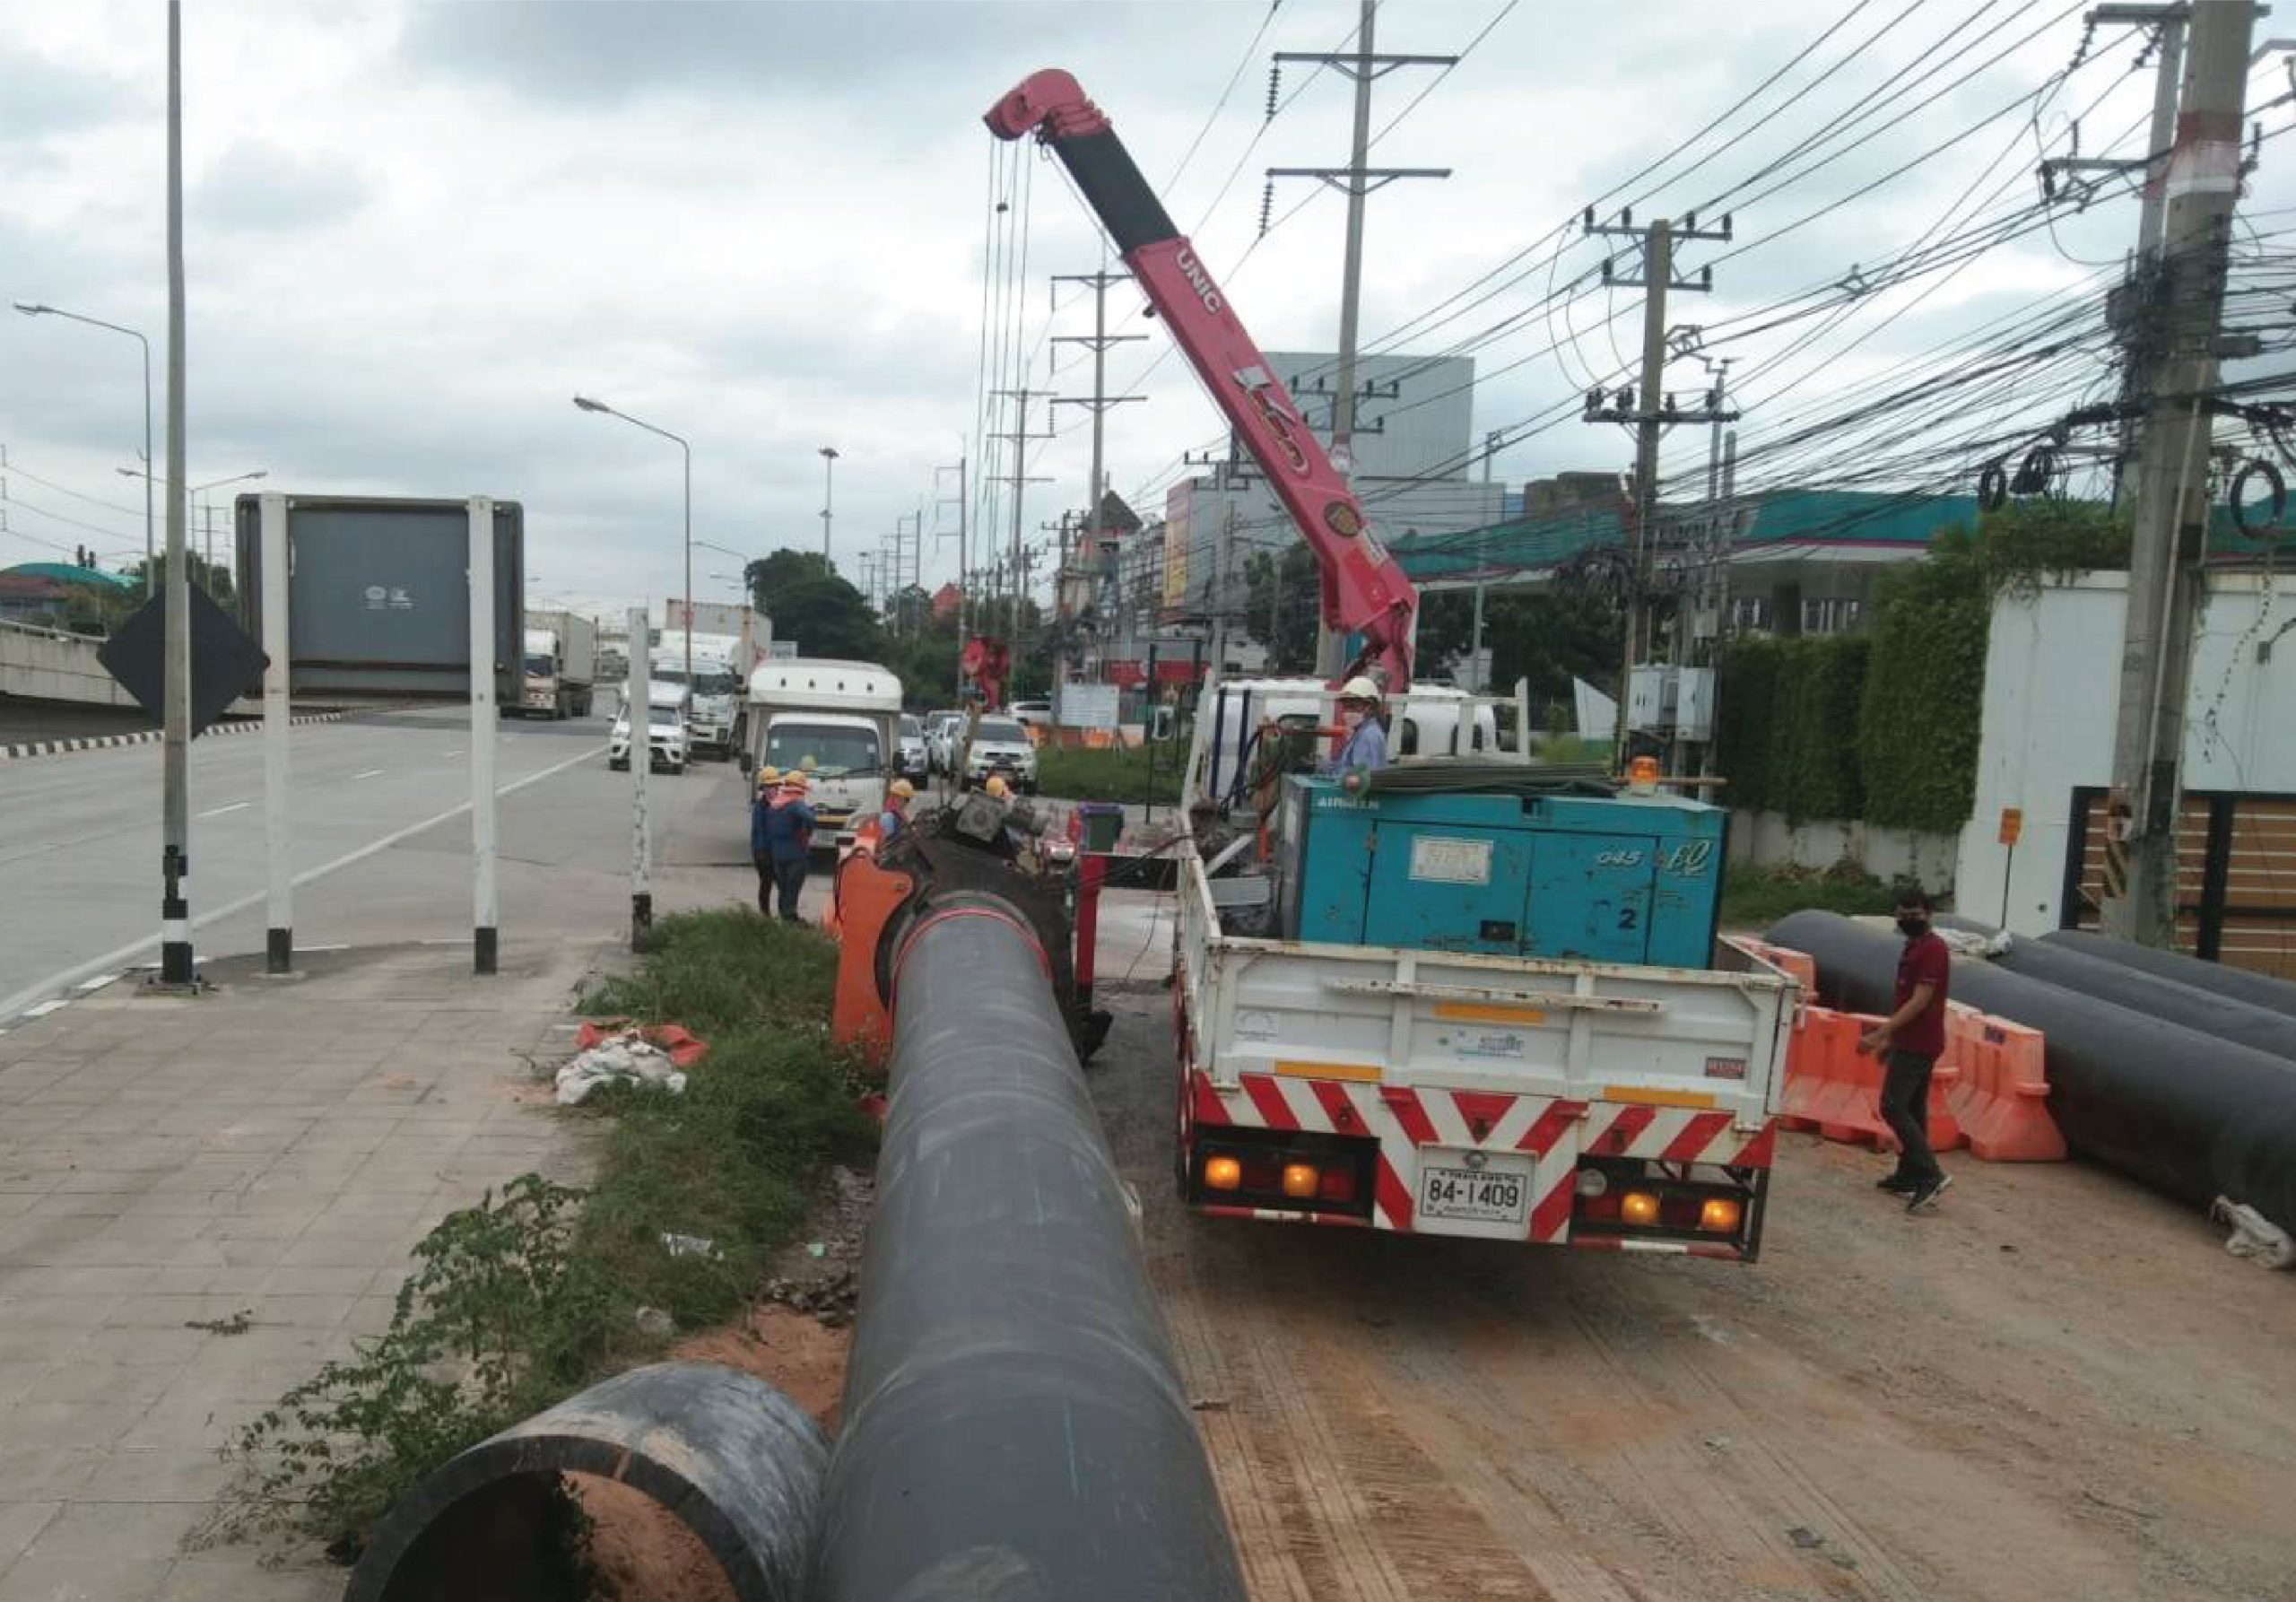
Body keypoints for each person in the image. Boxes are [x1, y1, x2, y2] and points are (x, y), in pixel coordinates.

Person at [1859, 885, 1952, 1212]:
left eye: (1915, 915)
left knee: (1893, 1106)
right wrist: (1891, 1040)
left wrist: (1880, 1034)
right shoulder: (1913, 947)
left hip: (1920, 1041)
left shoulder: (1933, 950)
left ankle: (1930, 1174)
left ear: (1928, 914)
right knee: (1912, 1108)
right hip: (1911, 1040)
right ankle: (1909, 1173)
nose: (1908, 920)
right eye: (1903, 916)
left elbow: (1920, 1000)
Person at [755, 771, 817, 922]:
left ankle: (784, 917)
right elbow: (810, 818)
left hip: (778, 855)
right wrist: (810, 821)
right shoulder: (795, 804)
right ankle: (790, 919)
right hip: (796, 855)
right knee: (792, 888)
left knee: (783, 888)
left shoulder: (774, 805)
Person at [1320, 675, 1389, 775]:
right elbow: (1348, 766)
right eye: (1346, 707)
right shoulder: (1361, 732)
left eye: (1353, 706)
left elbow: (1359, 777)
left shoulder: (1368, 735)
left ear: (1369, 707)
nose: (1348, 712)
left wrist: (1332, 770)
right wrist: (1328, 766)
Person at [878, 777, 916, 841]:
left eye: (908, 800)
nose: (907, 803)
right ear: (897, 797)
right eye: (906, 800)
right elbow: (886, 838)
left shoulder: (894, 809)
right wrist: (910, 826)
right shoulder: (888, 817)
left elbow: (902, 815)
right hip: (890, 845)